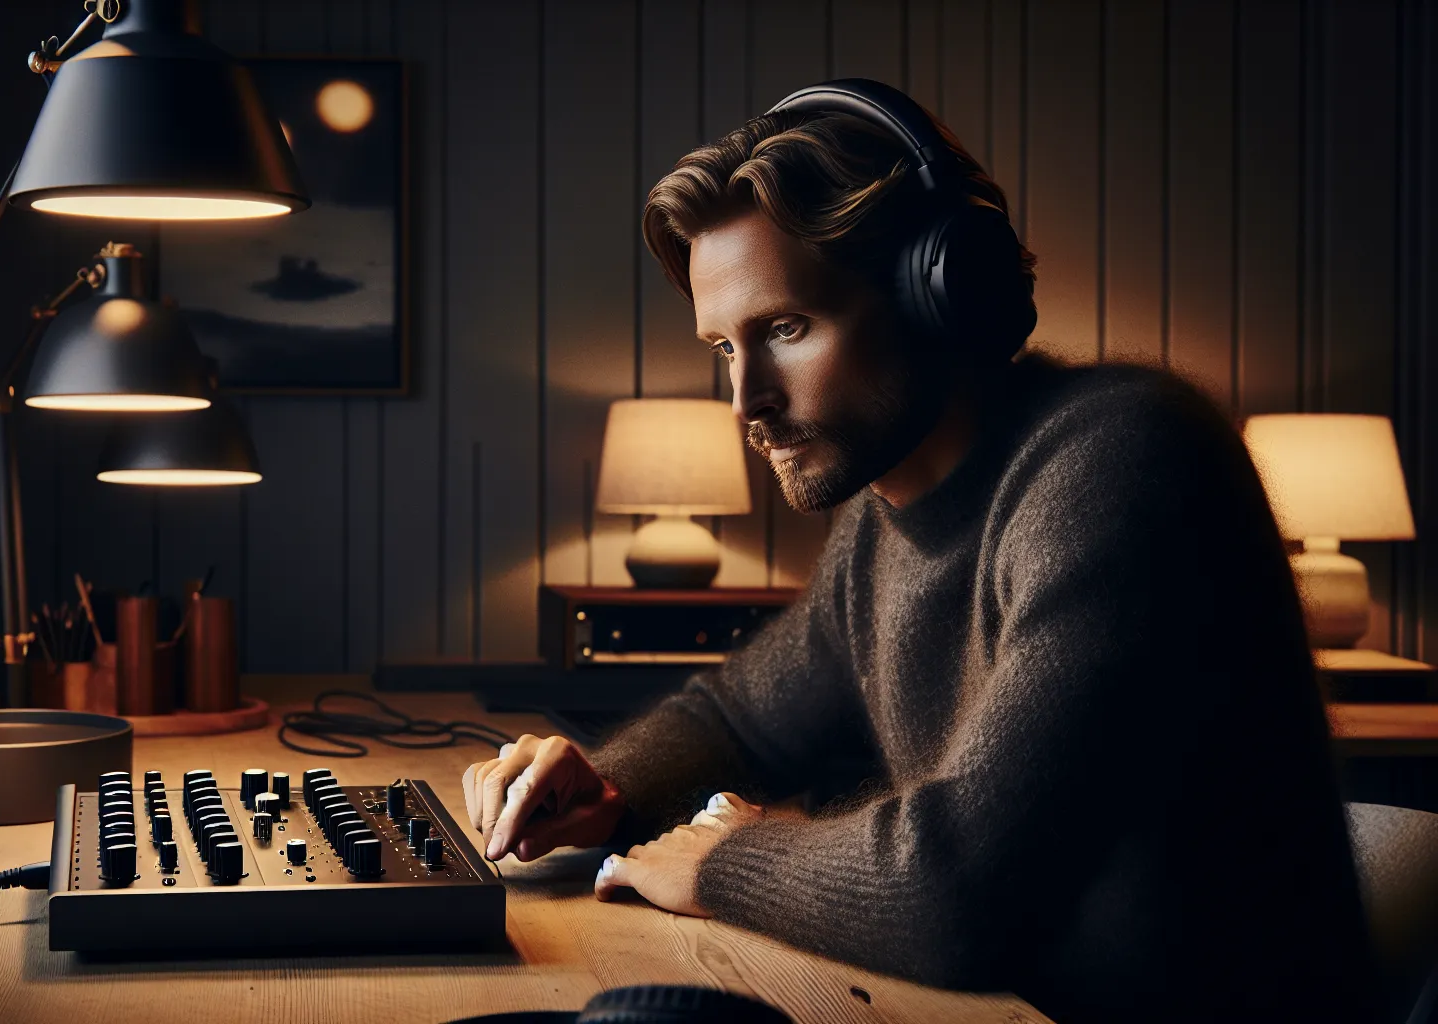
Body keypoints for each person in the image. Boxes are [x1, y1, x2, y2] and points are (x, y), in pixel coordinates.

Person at [463, 97, 1376, 1022]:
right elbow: (740, 719)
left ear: (939, 292)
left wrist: (723, 860)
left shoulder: (1126, 459)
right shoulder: (883, 512)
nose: (746, 400)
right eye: (722, 346)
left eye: (785, 329)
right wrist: (605, 791)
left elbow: (955, 889)